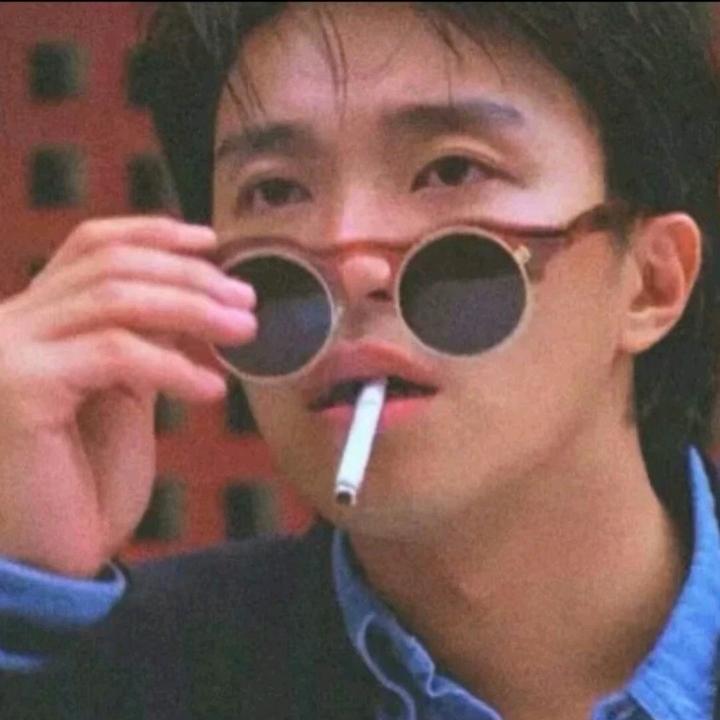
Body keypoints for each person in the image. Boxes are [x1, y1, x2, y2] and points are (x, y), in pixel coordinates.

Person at [2, 2, 720, 718]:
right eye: (276, 190)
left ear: (651, 282)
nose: (351, 263)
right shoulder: (135, 678)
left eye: (451, 170)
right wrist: (31, 602)